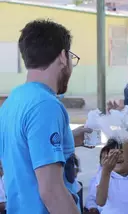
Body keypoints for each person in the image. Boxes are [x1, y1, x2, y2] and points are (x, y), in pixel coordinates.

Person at [0, 19, 92, 214]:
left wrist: (69, 141)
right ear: (62, 57)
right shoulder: (46, 105)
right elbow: (52, 192)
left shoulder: (12, 101)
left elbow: (24, 155)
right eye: (71, 57)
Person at [96, 139, 128, 214]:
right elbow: (100, 202)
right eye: (113, 153)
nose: (118, 156)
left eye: (122, 152)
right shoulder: (104, 174)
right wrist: (106, 172)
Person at [85, 146, 109, 214]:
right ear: (100, 161)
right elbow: (91, 198)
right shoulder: (96, 178)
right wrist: (92, 207)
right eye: (104, 158)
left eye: (108, 158)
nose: (106, 161)